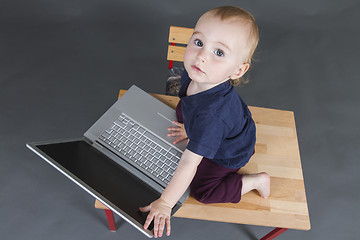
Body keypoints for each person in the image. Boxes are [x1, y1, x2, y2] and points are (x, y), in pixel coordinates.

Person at [139, 6, 270, 238]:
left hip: (228, 152)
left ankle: (253, 182)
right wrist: (191, 128)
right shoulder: (197, 72)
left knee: (202, 191)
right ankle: (192, 130)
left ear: (238, 70)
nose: (201, 56)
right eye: (198, 42)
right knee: (183, 112)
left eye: (218, 53)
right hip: (223, 124)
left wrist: (166, 203)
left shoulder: (212, 118)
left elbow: (189, 163)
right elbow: (192, 106)